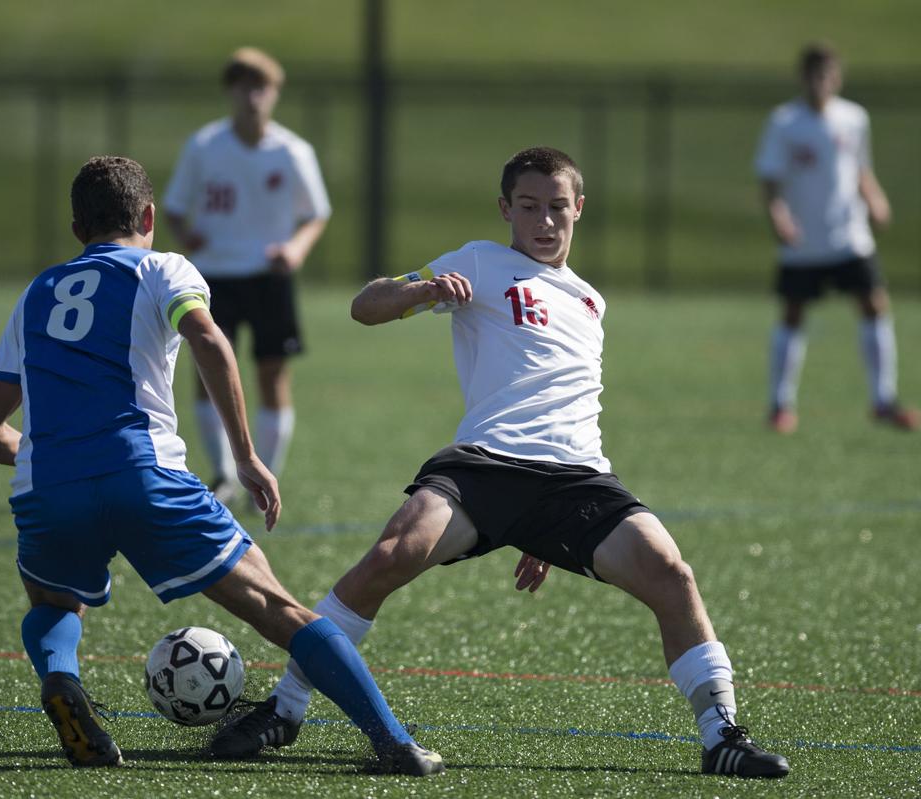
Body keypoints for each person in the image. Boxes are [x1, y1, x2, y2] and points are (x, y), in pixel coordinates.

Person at [210, 147, 791, 779]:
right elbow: (365, 304)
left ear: (579, 210)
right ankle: (286, 707)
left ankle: (721, 735)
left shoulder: (593, 304)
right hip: (483, 465)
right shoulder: (481, 263)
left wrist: (540, 530)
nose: (544, 222)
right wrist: (424, 289)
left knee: (673, 575)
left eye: (557, 207)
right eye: (529, 207)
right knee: (389, 557)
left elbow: (575, 407)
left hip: (575, 480)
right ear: (505, 210)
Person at [0, 156, 441, 776]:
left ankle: (60, 678)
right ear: (150, 218)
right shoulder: (164, 268)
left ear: (77, 227)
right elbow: (210, 340)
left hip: (48, 485)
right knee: (278, 609)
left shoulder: (36, 294)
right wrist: (245, 456)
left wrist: (46, 454)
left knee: (54, 603)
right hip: (143, 473)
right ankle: (394, 742)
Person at [163, 47, 331, 501]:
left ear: (274, 93)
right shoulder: (204, 146)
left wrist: (294, 249)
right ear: (230, 92)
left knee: (271, 373)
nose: (252, 96)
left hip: (268, 276)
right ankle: (222, 474)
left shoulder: (293, 151)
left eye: (261, 86)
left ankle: (265, 475)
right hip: (212, 277)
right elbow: (175, 208)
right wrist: (189, 235)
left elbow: (316, 213)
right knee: (208, 370)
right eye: (243, 86)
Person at [755, 43, 917, 433]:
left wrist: (875, 200)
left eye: (827, 75)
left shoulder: (853, 118)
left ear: (837, 78)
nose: (820, 83)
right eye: (813, 75)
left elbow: (859, 168)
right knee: (793, 314)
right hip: (804, 240)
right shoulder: (785, 122)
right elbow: (770, 179)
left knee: (875, 305)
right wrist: (779, 218)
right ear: (803, 78)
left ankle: (883, 400)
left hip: (849, 236)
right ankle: (781, 405)